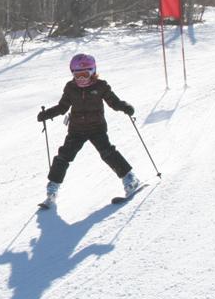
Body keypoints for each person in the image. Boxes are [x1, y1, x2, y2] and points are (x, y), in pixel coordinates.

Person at [37, 53, 141, 206]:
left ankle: (130, 178)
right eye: (77, 75)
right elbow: (62, 107)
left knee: (108, 153)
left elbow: (114, 102)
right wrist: (47, 114)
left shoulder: (101, 86)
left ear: (93, 71)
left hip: (96, 128)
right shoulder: (70, 88)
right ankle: (52, 188)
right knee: (63, 157)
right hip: (76, 130)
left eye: (84, 74)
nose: (81, 79)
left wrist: (125, 107)